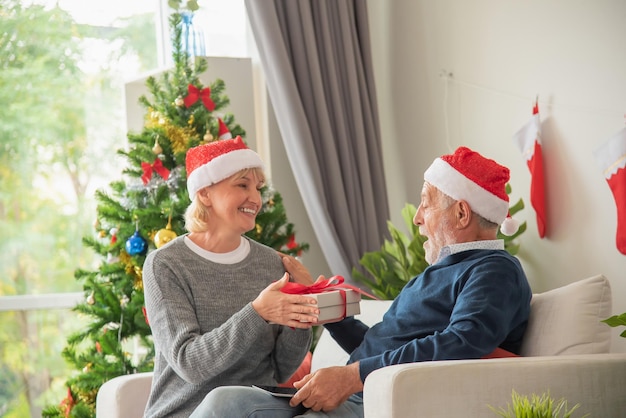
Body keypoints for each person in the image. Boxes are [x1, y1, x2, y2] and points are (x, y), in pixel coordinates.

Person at [192, 146, 533, 418]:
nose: (416, 218)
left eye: (425, 204)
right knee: (223, 402)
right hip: (360, 393)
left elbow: (463, 342)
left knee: (226, 407)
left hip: (383, 401)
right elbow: (380, 343)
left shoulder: (493, 270)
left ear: (461, 213)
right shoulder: (441, 272)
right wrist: (322, 303)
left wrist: (354, 375)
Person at [142, 136, 321, 418]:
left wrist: (301, 309)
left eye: (258, 188)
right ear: (204, 193)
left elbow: (281, 369)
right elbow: (190, 363)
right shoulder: (166, 264)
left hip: (256, 411)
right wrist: (257, 312)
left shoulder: (271, 264)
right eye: (242, 185)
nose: (256, 199)